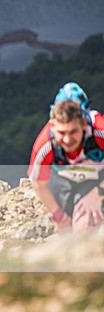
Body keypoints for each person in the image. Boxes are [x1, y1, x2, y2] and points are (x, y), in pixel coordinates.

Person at [28, 82, 104, 230]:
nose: (68, 140)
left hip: (97, 178)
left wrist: (98, 193)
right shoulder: (44, 144)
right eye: (62, 133)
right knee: (68, 228)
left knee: (85, 224)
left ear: (83, 124)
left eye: (73, 132)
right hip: (62, 179)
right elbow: (38, 182)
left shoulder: (99, 130)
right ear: (52, 125)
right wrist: (58, 216)